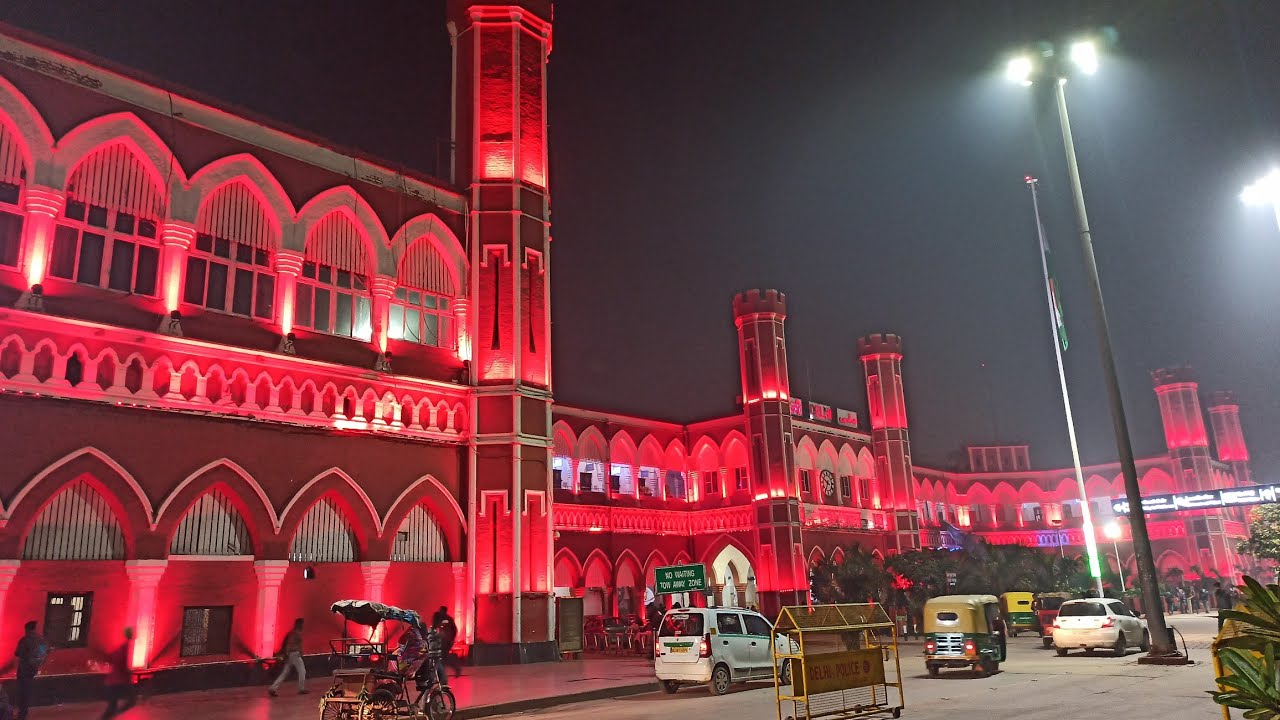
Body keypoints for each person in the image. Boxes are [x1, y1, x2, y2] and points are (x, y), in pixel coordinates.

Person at [13, 621, 47, 720]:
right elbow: (44, 652)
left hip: (24, 669)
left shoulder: (25, 640)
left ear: (27, 629)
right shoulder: (41, 639)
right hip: (34, 669)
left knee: (22, 691)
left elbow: (17, 653)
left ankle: (22, 714)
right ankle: (24, 712)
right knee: (27, 691)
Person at [101, 628, 135, 720]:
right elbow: (121, 663)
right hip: (119, 680)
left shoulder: (123, 646)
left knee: (112, 706)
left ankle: (113, 715)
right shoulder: (126, 646)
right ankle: (114, 714)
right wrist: (128, 674)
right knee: (130, 700)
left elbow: (112, 658)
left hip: (114, 680)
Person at [268, 619, 306, 697]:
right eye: (302, 624)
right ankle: (301, 689)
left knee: (284, 673)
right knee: (302, 671)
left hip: (291, 655)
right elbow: (290, 644)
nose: (303, 626)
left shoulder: (292, 633)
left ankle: (273, 688)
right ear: (299, 624)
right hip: (295, 654)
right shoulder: (295, 633)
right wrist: (298, 651)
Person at [434, 609, 462, 678]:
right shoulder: (445, 619)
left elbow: (452, 630)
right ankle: (452, 670)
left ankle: (454, 669)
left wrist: (451, 639)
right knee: (443, 657)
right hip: (445, 640)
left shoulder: (445, 619)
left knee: (444, 656)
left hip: (446, 641)